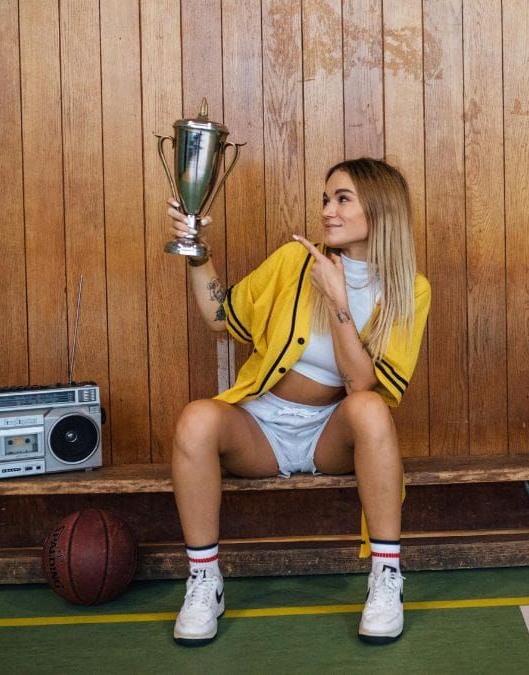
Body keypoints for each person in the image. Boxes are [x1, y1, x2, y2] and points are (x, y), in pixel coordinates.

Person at [167, 158, 429, 647]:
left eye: (342, 199)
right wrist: (196, 252)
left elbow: (361, 387)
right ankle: (204, 582)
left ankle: (386, 578)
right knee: (196, 419)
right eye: (325, 199)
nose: (328, 211)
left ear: (380, 208)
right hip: (261, 430)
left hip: (329, 435)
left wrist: (338, 302)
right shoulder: (295, 262)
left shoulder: (410, 289)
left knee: (371, 410)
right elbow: (220, 318)